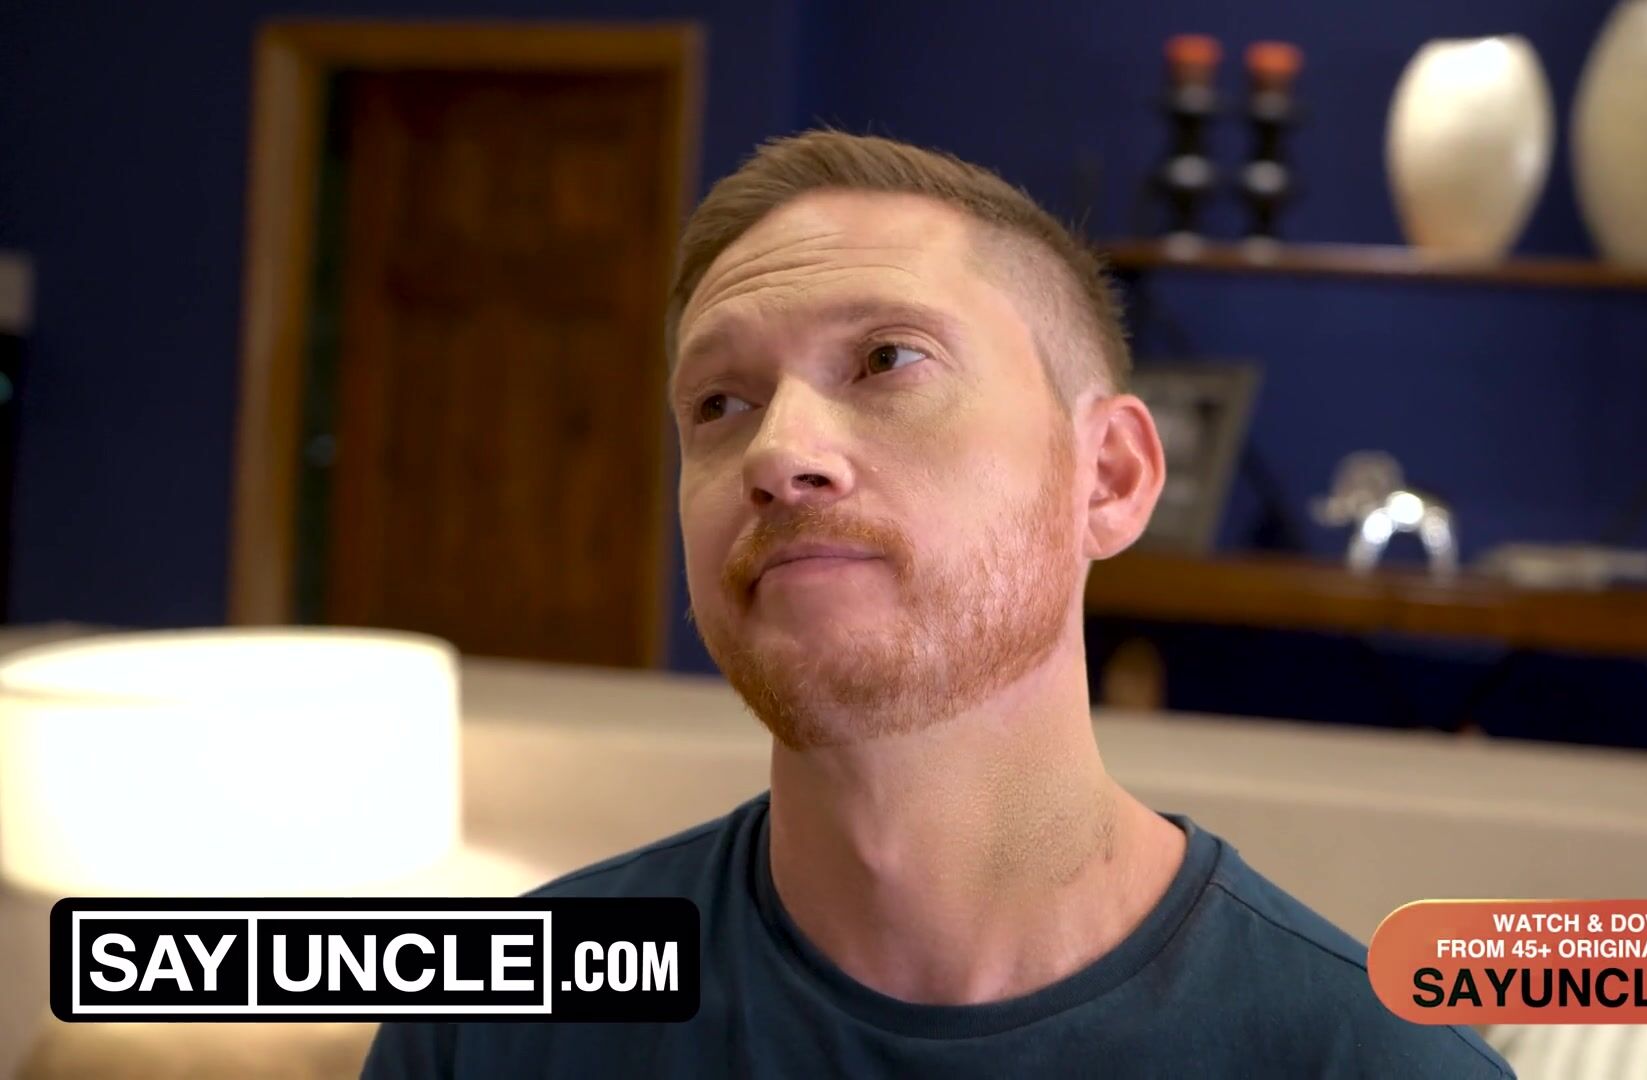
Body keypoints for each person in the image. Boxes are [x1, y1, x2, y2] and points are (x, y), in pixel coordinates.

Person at [363, 130, 1512, 1079]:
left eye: (887, 361)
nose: (778, 452)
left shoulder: (1370, 1062)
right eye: (719, 402)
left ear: (1109, 479)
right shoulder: (491, 1029)